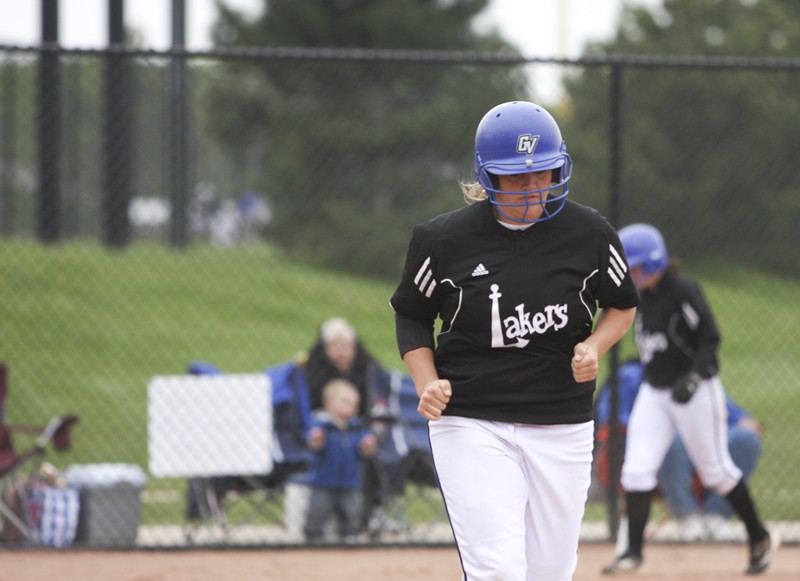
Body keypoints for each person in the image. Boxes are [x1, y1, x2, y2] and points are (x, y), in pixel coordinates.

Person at [390, 100, 639, 580]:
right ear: (487, 179)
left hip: (560, 419)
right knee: (499, 570)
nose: (532, 186)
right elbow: (412, 316)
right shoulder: (442, 240)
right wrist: (426, 381)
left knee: (549, 572)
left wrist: (596, 346)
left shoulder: (590, 233)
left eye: (543, 173)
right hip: (470, 418)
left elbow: (622, 304)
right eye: (516, 176)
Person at [601, 223, 776, 575]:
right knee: (636, 471)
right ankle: (632, 552)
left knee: (716, 471)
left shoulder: (682, 290)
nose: (629, 276)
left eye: (634, 268)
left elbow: (710, 339)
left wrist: (695, 377)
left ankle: (758, 536)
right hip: (655, 391)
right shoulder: (639, 297)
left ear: (653, 263)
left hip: (695, 390)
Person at [593, 359, 764, 541]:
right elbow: (611, 419)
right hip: (648, 455)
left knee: (747, 438)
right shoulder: (631, 375)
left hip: (697, 453)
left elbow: (730, 414)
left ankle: (715, 517)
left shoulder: (696, 376)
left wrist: (743, 422)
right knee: (670, 439)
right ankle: (687, 517)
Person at [303, 378, 377, 544]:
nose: (351, 406)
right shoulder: (320, 425)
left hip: (350, 482)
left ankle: (349, 538)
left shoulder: (356, 427)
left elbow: (366, 450)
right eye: (345, 402)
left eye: (354, 403)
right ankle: (313, 540)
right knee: (317, 513)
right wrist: (316, 440)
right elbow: (313, 444)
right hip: (322, 482)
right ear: (329, 404)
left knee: (351, 515)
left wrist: (368, 445)